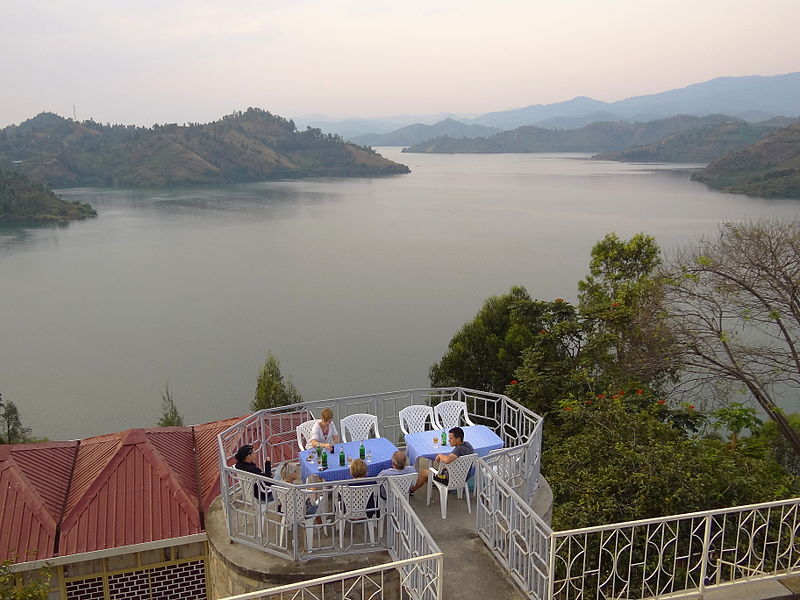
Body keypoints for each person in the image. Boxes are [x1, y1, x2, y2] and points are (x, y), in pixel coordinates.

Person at [409, 426, 474, 494]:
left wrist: (439, 455)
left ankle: (412, 490)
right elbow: (455, 461)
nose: (449, 440)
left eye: (451, 438)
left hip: (448, 479)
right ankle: (433, 481)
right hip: (464, 477)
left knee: (424, 472)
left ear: (458, 439)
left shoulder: (458, 450)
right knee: (432, 473)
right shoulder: (468, 445)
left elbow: (447, 460)